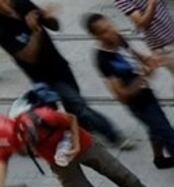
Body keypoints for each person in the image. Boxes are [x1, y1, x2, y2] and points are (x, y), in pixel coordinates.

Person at [88, 15, 174, 183]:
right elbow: (122, 95)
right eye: (104, 31)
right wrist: (143, 76)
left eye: (110, 26)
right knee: (166, 131)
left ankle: (159, 159)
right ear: (96, 36)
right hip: (138, 104)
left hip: (146, 93)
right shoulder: (103, 59)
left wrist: (148, 60)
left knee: (156, 127)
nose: (111, 31)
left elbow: (132, 54)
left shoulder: (118, 38)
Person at [0, 0, 129, 147]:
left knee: (74, 103)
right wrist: (35, 31)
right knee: (78, 104)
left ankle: (83, 132)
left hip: (59, 64)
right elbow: (28, 57)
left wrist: (48, 18)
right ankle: (112, 135)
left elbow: (55, 26)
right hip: (43, 76)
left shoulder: (22, 4)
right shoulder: (2, 28)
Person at [0, 109, 162, 187]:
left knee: (117, 173)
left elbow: (71, 119)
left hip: (84, 146)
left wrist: (76, 145)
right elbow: (2, 164)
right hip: (59, 160)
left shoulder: (44, 116)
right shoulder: (8, 138)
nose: (30, 150)